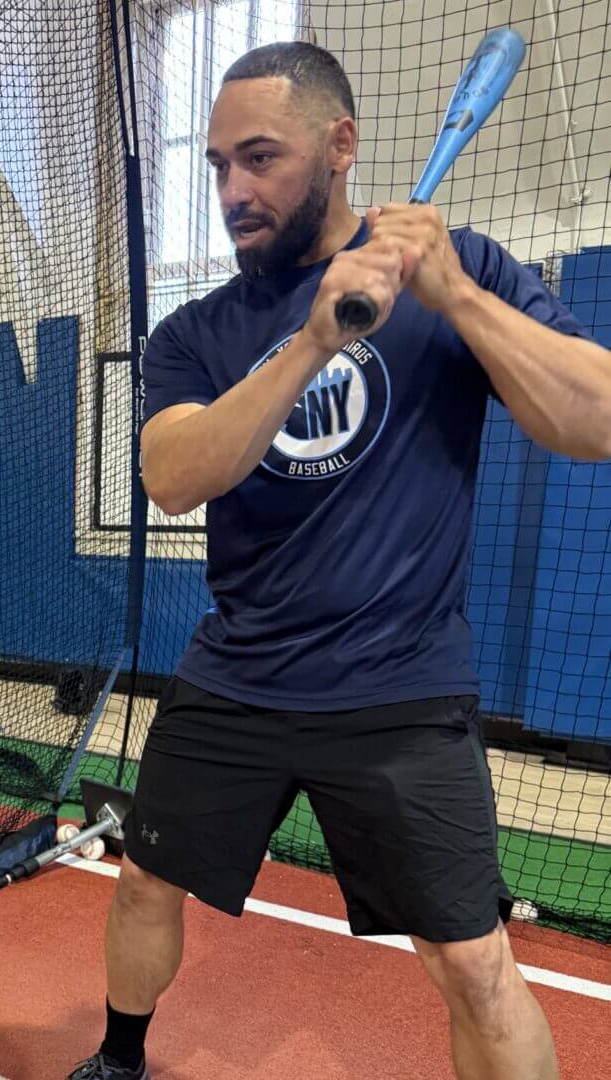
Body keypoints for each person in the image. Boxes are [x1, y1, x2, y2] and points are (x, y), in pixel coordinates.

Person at [68, 40, 610, 1080]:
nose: (233, 189)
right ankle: (120, 1059)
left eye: (259, 158)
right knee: (142, 881)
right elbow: (175, 476)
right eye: (218, 165)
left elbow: (591, 420)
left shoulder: (465, 272)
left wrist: (453, 296)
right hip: (240, 673)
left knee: (473, 964)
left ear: (340, 146)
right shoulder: (198, 331)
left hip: (400, 689)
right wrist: (312, 340)